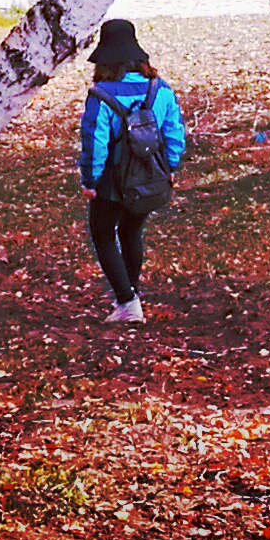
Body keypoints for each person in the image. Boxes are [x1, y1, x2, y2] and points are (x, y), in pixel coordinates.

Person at [77, 19, 187, 323]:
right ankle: (131, 295)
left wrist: (90, 181)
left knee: (102, 233)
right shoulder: (160, 89)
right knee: (131, 230)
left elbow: (95, 142)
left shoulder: (100, 95)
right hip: (149, 177)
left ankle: (127, 302)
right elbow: (174, 133)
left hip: (112, 182)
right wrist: (172, 167)